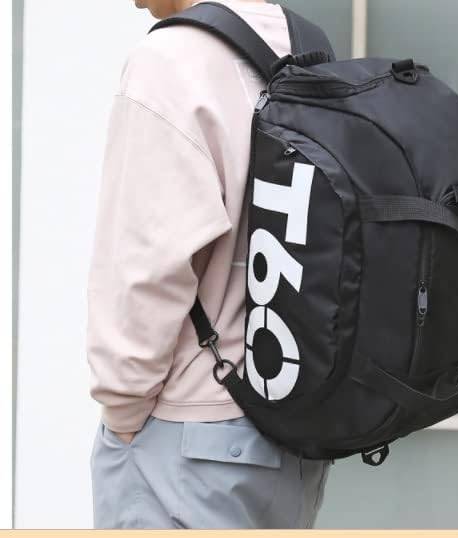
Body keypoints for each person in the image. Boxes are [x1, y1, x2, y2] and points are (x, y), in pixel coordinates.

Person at [87, 0, 330, 529]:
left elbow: (144, 270)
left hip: (188, 443)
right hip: (291, 442)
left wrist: (122, 413)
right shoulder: (305, 46)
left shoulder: (167, 61)